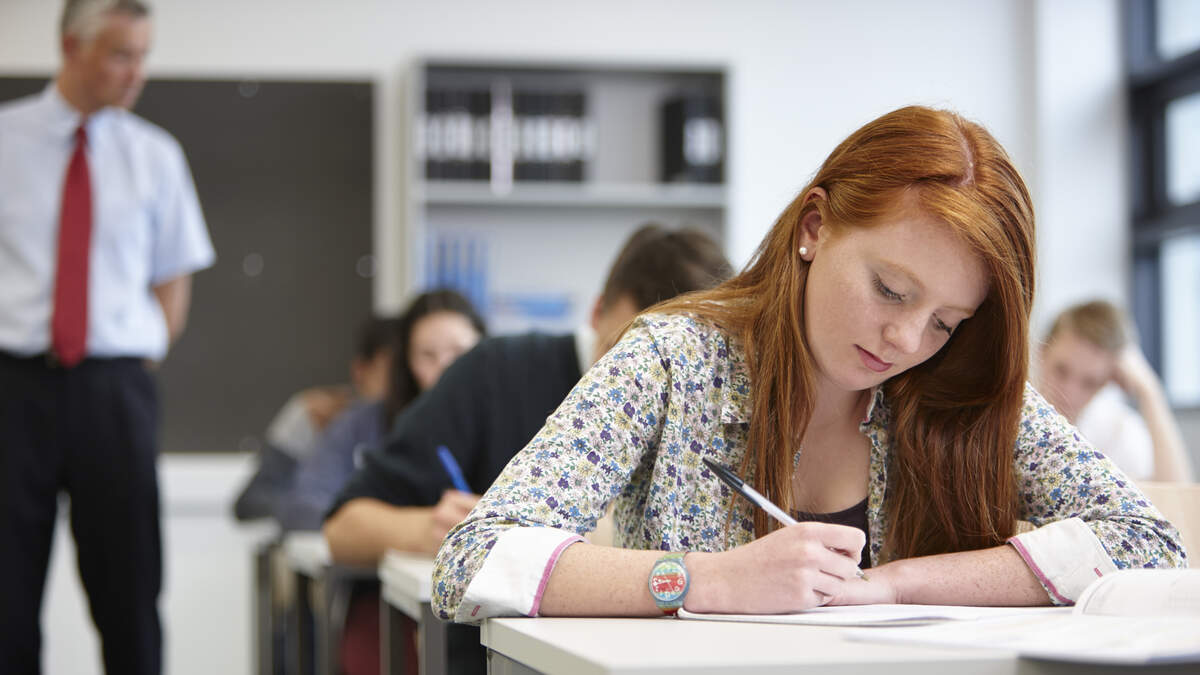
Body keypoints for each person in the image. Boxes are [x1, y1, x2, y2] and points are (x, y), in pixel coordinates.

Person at [431, 106, 1186, 626]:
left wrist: (896, 584)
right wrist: (706, 579)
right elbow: (472, 558)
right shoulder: (672, 359)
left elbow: (1148, 544)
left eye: (945, 321)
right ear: (815, 228)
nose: (905, 339)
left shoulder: (962, 380)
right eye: (890, 289)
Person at [324, 223, 731, 675]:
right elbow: (343, 527)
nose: (649, 384)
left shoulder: (720, 403)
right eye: (631, 352)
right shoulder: (491, 374)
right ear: (597, 312)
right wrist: (433, 530)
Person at [0, 2, 215, 673]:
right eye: (122, 54)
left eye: (143, 55)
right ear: (72, 47)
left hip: (114, 389)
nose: (136, 72)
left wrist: (133, 360)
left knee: (130, 595)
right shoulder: (5, 141)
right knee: (6, 599)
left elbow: (172, 285)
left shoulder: (156, 155)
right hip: (12, 388)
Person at [278, 289, 486, 531]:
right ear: (407, 362)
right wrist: (407, 527)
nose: (445, 368)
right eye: (427, 355)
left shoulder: (510, 425)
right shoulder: (363, 426)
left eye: (459, 353)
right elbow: (307, 504)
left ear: (487, 354)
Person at [232, 314, 400, 523]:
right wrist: (310, 507)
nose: (400, 385)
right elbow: (251, 502)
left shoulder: (421, 424)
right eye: (392, 371)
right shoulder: (316, 414)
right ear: (360, 370)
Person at [1037, 300, 1194, 482]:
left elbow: (1176, 491)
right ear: (1041, 351)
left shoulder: (1119, 430)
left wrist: (1149, 392)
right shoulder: (1014, 411)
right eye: (1061, 371)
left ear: (1109, 380)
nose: (1069, 392)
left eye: (1089, 383)